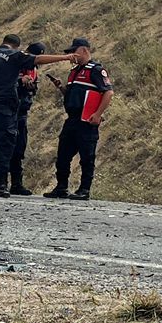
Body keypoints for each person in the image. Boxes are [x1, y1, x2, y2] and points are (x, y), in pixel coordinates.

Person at [0, 34, 67, 197]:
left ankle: (2, 181)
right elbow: (38, 59)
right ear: (17, 46)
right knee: (6, 142)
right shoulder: (14, 56)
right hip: (6, 105)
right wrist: (65, 57)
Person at [46, 37, 113, 201]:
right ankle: (61, 187)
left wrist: (97, 114)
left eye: (73, 52)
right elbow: (71, 96)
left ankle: (84, 189)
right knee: (63, 156)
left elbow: (108, 92)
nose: (71, 56)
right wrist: (61, 87)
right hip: (72, 119)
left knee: (87, 157)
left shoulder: (95, 70)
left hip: (87, 121)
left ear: (84, 50)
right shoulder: (74, 72)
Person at [6, 42, 46, 196]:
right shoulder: (15, 63)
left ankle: (17, 183)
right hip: (9, 111)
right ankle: (0, 182)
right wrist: (20, 81)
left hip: (22, 111)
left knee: (19, 147)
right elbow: (5, 82)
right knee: (5, 146)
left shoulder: (34, 69)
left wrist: (30, 86)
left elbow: (33, 90)